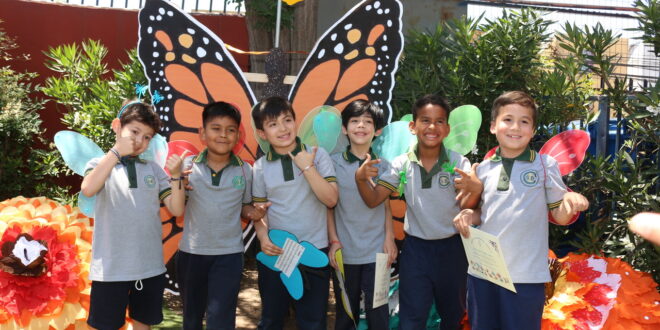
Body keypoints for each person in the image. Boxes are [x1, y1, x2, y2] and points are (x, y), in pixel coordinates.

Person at [453, 91, 589, 329]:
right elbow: (483, 213)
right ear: (494, 126)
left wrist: (569, 203)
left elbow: (558, 214)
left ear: (533, 130)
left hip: (526, 277)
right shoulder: (483, 168)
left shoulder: (545, 165)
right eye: (507, 119)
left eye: (524, 121)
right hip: (483, 273)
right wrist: (468, 215)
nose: (515, 127)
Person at [355, 94, 481, 330]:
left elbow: (469, 208)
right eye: (425, 120)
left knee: (453, 316)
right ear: (413, 126)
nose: (432, 127)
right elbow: (374, 199)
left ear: (447, 128)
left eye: (439, 121)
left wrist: (475, 189)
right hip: (416, 251)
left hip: (453, 250)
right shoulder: (401, 164)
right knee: (411, 319)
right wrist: (361, 179)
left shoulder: (458, 163)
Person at [81, 101, 186, 330]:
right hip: (110, 269)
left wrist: (177, 176)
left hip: (149, 267)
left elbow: (177, 209)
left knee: (143, 323)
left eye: (147, 137)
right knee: (102, 325)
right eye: (135, 132)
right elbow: (88, 189)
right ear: (117, 126)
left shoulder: (153, 170)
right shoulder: (100, 164)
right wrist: (116, 153)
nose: (140, 141)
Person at [170, 101, 266, 330]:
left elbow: (243, 206)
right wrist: (178, 182)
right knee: (192, 318)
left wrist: (253, 212)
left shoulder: (245, 170)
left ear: (238, 135)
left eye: (230, 129)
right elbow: (177, 208)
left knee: (221, 319)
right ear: (202, 133)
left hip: (229, 256)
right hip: (191, 255)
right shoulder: (185, 167)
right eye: (216, 128)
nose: (223, 135)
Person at [251, 96, 338, 330]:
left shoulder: (318, 155)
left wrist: (307, 167)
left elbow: (331, 199)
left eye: (287, 120)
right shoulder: (259, 168)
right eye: (273, 124)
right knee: (271, 319)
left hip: (314, 251)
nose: (283, 128)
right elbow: (261, 212)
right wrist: (263, 238)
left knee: (313, 321)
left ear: (295, 121)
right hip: (276, 253)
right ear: (262, 133)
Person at [327, 100, 397, 329]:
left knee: (378, 313)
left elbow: (383, 204)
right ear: (345, 128)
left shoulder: (386, 167)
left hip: (377, 252)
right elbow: (328, 206)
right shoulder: (331, 164)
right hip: (344, 252)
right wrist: (333, 241)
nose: (361, 126)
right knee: (346, 315)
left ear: (376, 130)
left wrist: (389, 238)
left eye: (368, 122)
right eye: (355, 121)